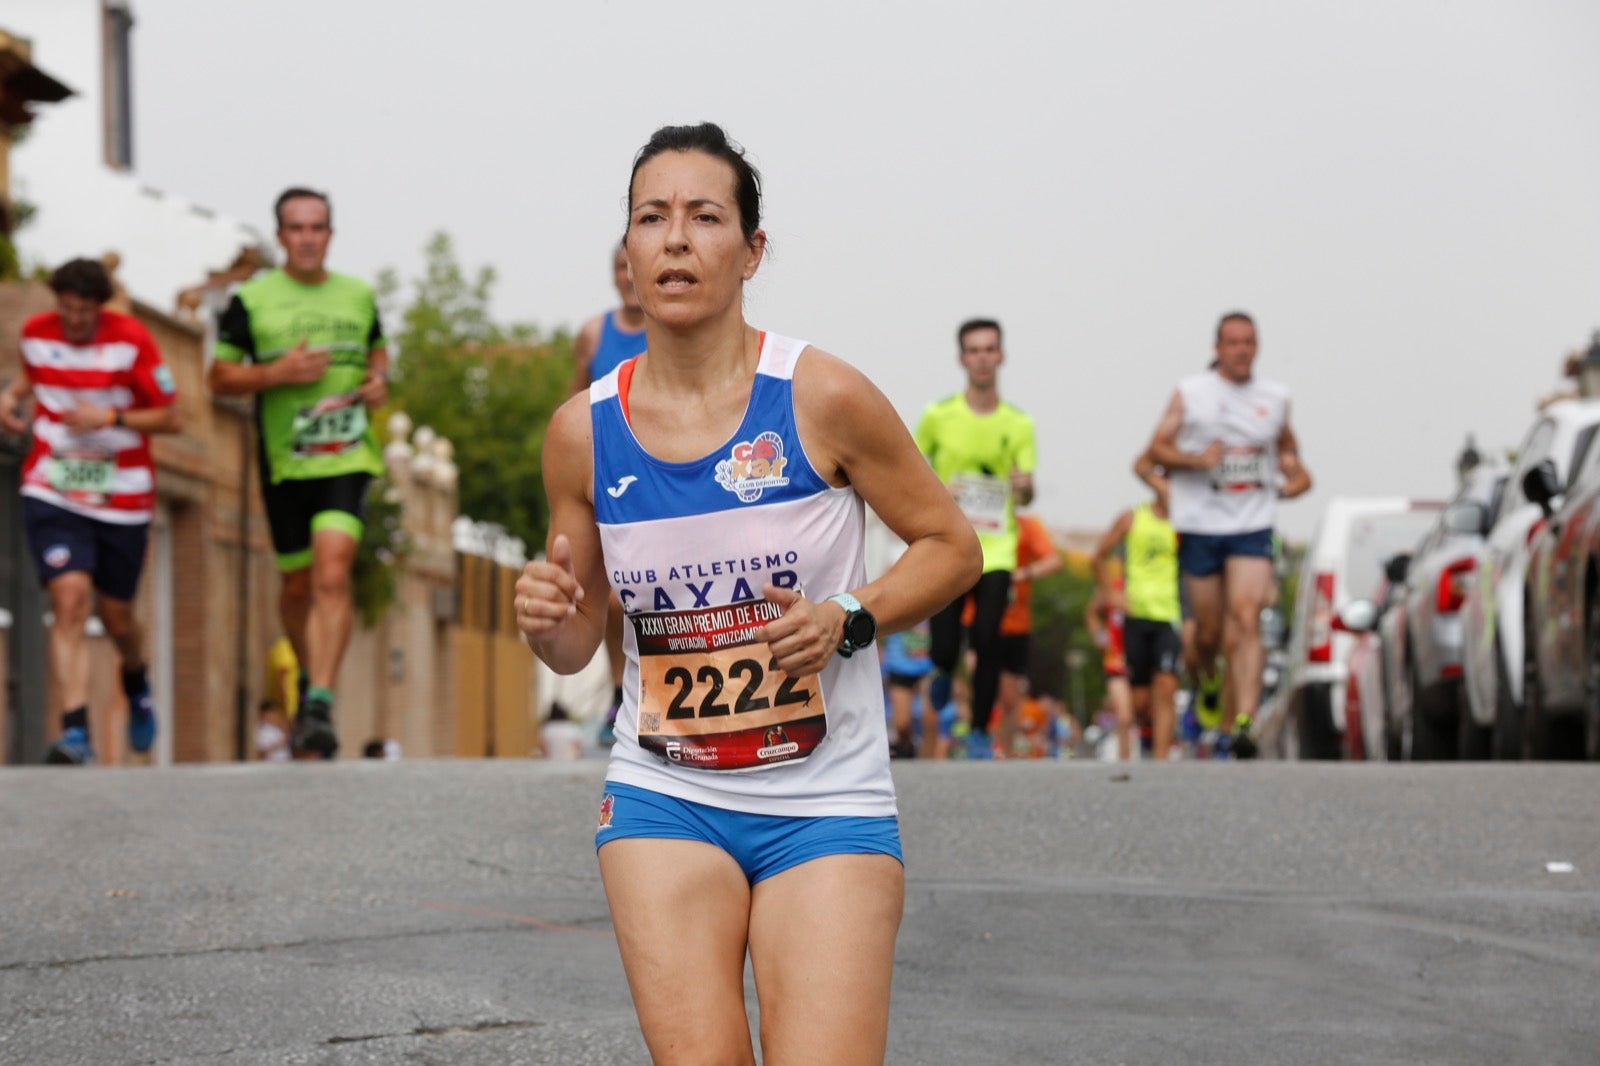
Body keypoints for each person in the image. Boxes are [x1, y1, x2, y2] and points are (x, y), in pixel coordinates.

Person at [515, 123, 980, 1066]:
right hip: (663, 795)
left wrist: (849, 617)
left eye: (705, 216)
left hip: (826, 803)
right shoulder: (582, 434)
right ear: (630, 252)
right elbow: (577, 642)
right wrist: (548, 621)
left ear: (751, 250)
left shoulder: (822, 395)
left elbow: (952, 546)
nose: (676, 238)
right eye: (652, 217)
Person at [208, 187, 389, 759]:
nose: (308, 237)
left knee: (332, 573)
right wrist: (276, 373)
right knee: (297, 585)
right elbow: (218, 378)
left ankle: (320, 703)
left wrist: (378, 384)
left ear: (329, 234)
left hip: (347, 455)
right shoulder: (252, 300)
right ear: (281, 236)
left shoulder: (358, 295)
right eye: (296, 228)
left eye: (317, 227)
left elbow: (378, 352)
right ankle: (311, 681)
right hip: (285, 463)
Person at [0, 258, 181, 764]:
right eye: (66, 308)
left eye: (83, 311)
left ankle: (136, 679)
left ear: (99, 308)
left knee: (118, 618)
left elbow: (173, 416)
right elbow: (34, 374)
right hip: (53, 485)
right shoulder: (36, 332)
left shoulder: (131, 341)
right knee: (69, 597)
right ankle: (75, 730)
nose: (73, 320)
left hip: (121, 492)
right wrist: (11, 396)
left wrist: (110, 415)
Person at [1145, 311, 1312, 757]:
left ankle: (1245, 721)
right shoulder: (1191, 393)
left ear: (1257, 347)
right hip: (1201, 524)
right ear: (1217, 348)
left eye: (1248, 342)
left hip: (1251, 524)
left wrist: (1291, 475)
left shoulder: (1275, 398)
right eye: (1232, 342)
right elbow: (1155, 450)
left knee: (1246, 616)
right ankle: (1209, 682)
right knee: (1206, 634)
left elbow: (1288, 448)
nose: (1241, 349)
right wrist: (1197, 462)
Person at [915, 318, 1037, 759]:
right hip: (950, 543)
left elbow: (1026, 493)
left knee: (988, 640)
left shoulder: (1018, 423)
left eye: (990, 349)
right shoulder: (938, 416)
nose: (983, 357)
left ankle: (980, 731)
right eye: (974, 350)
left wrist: (1024, 485)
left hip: (997, 548)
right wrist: (938, 491)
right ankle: (944, 669)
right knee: (947, 645)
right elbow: (910, 470)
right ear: (962, 359)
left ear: (1000, 356)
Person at [567, 242, 650, 745]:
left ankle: (653, 689)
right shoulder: (594, 334)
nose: (627, 275)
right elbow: (574, 402)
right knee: (610, 598)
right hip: (609, 477)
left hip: (661, 473)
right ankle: (622, 691)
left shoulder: (670, 328)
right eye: (620, 267)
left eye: (633, 266)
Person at [1092, 480, 1182, 762]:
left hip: (1169, 616)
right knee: (1140, 703)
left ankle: (1161, 760)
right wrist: (1110, 594)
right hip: (1136, 617)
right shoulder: (1133, 518)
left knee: (1166, 689)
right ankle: (1139, 742)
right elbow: (1098, 556)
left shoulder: (1185, 525)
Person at [962, 511, 1061, 757]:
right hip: (975, 619)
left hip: (1014, 626)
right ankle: (977, 737)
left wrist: (1021, 574)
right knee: (976, 677)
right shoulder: (973, 521)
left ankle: (1004, 753)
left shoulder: (1027, 526)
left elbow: (1053, 560)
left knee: (1009, 698)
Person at [1084, 565, 1136, 760]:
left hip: (1144, 657)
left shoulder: (1153, 588)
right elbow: (1091, 612)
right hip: (1117, 660)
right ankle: (1125, 761)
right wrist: (1100, 636)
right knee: (1124, 716)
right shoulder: (1112, 586)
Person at [881, 619, 936, 759]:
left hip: (930, 665)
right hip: (899, 664)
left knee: (929, 718)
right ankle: (908, 749)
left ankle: (929, 764)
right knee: (902, 724)